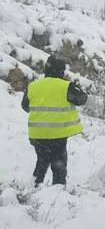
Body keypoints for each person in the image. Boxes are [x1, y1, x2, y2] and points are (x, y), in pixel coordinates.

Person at [21, 56, 87, 186]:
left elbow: (25, 106)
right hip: (57, 134)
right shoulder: (66, 86)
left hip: (37, 133)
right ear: (61, 71)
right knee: (58, 162)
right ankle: (58, 188)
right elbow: (82, 99)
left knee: (42, 160)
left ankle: (34, 185)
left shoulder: (33, 86)